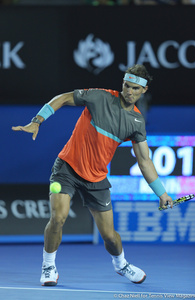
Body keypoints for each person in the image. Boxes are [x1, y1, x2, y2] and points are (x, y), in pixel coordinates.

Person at [12, 64, 173, 286]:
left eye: (135, 88)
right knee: (58, 217)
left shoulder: (136, 122)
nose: (129, 91)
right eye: (127, 85)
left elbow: (144, 161)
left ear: (143, 90)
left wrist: (162, 193)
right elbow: (63, 98)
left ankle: (121, 264)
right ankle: (48, 266)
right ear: (122, 83)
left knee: (109, 236)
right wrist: (37, 120)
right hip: (67, 166)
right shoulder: (100, 97)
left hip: (96, 178)